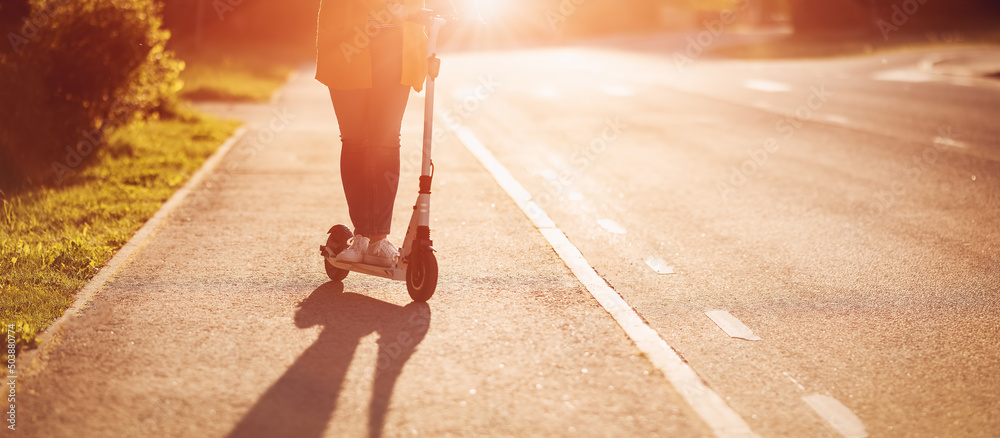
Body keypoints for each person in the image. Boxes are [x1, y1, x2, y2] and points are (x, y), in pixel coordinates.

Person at [316, 0, 428, 267]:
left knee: (386, 140)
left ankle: (378, 238)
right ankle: (362, 235)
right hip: (348, 41)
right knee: (355, 140)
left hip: (398, 44)